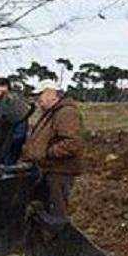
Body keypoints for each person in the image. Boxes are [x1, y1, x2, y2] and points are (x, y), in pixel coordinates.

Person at [20, 80, 83, 226]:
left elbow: (72, 143)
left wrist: (46, 153)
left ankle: (58, 243)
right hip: (49, 169)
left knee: (57, 213)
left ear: (52, 94)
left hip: (59, 171)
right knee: (47, 209)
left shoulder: (66, 113)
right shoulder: (52, 112)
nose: (37, 99)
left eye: (40, 95)